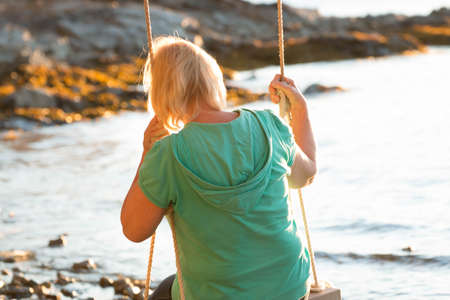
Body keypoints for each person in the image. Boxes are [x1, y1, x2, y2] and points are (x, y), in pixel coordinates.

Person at [120, 36, 317, 300]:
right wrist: (300, 110)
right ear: (213, 80)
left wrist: (147, 152)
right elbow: (306, 174)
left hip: (217, 295)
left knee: (166, 291)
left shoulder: (168, 153)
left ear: (161, 92)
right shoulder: (269, 125)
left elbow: (134, 230)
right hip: (288, 289)